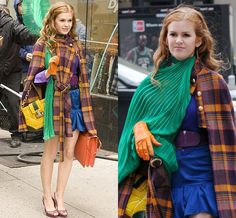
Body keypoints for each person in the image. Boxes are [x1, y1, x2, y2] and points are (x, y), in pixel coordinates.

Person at [118, 5, 236, 218]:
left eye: (186, 35)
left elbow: (228, 145)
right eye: (173, 34)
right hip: (162, 175)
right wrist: (139, 128)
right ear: (165, 38)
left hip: (202, 176)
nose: (178, 40)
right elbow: (128, 137)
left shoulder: (213, 83)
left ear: (198, 40)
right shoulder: (150, 84)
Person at [19, 2, 98, 217]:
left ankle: (59, 195)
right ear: (53, 20)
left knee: (69, 153)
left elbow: (83, 78)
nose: (66, 24)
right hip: (55, 100)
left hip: (74, 102)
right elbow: (32, 78)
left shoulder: (76, 44)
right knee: (51, 152)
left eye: (69, 20)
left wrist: (85, 106)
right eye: (62, 20)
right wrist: (48, 72)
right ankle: (47, 196)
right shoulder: (43, 44)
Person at [0, 6, 37, 147]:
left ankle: (16, 134)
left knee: (13, 103)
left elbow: (26, 34)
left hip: (10, 71)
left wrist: (41, 32)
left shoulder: (9, 24)